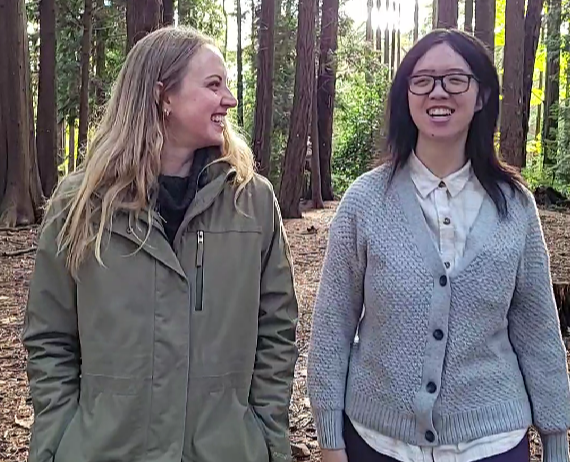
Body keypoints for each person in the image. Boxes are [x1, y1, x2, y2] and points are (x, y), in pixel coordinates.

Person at [23, 26, 298, 462]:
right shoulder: (79, 204)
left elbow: (277, 333)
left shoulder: (253, 201)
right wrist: (59, 441)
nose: (229, 99)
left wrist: (264, 438)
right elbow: (50, 337)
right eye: (213, 85)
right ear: (163, 96)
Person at [307, 29, 570, 462]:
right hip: (379, 441)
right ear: (406, 96)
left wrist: (556, 439)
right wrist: (330, 439)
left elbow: (537, 329)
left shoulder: (514, 206)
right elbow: (332, 327)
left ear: (482, 95)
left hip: (493, 443)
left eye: (455, 79)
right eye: (422, 80)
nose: (438, 92)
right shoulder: (365, 201)